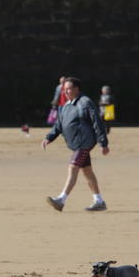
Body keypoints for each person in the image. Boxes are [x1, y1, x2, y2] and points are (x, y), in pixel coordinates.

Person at [42, 77, 109, 212]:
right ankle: (99, 201)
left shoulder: (86, 102)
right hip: (76, 143)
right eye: (64, 89)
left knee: (73, 168)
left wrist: (103, 142)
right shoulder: (66, 106)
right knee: (87, 171)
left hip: (85, 142)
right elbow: (59, 125)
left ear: (76, 89)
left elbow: (97, 122)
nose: (65, 92)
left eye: (68, 89)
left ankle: (61, 200)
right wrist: (49, 137)